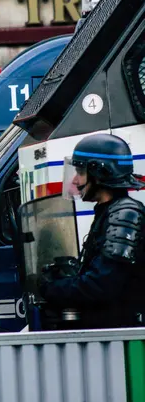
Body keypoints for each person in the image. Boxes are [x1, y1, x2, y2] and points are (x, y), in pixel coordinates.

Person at [39, 133, 145, 329]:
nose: (76, 180)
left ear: (99, 173)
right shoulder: (109, 211)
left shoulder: (125, 214)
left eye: (80, 171)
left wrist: (52, 289)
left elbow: (102, 285)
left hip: (123, 338)